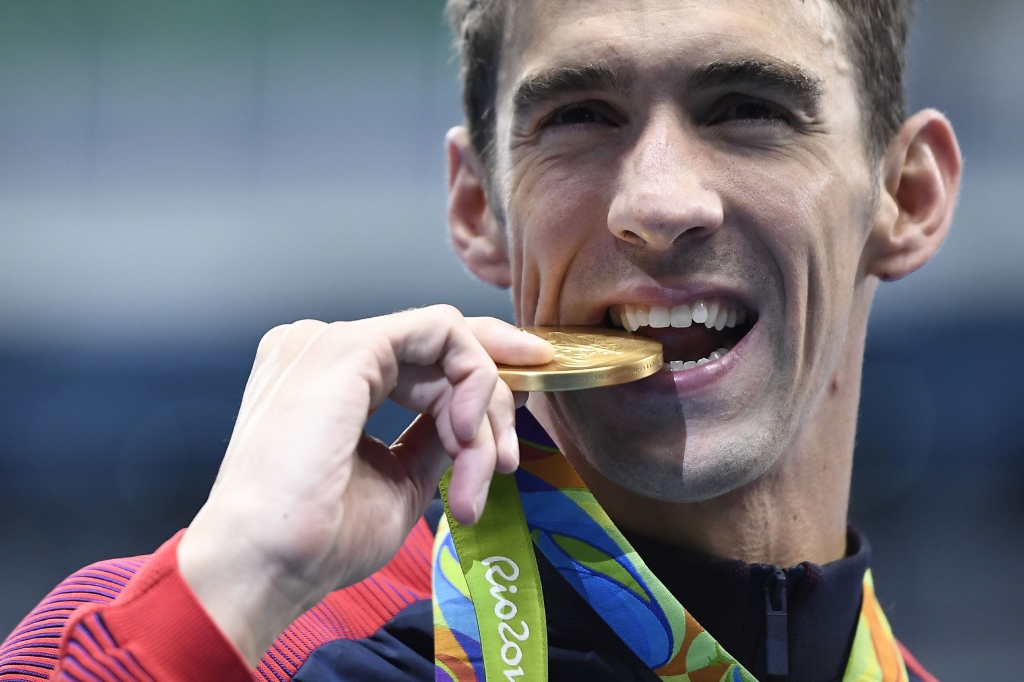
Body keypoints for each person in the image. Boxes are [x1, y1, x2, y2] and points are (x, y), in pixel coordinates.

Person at [0, 0, 961, 680]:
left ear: (907, 197)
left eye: (747, 110)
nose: (660, 203)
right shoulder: (227, 641)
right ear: (476, 206)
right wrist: (240, 576)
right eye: (581, 117)